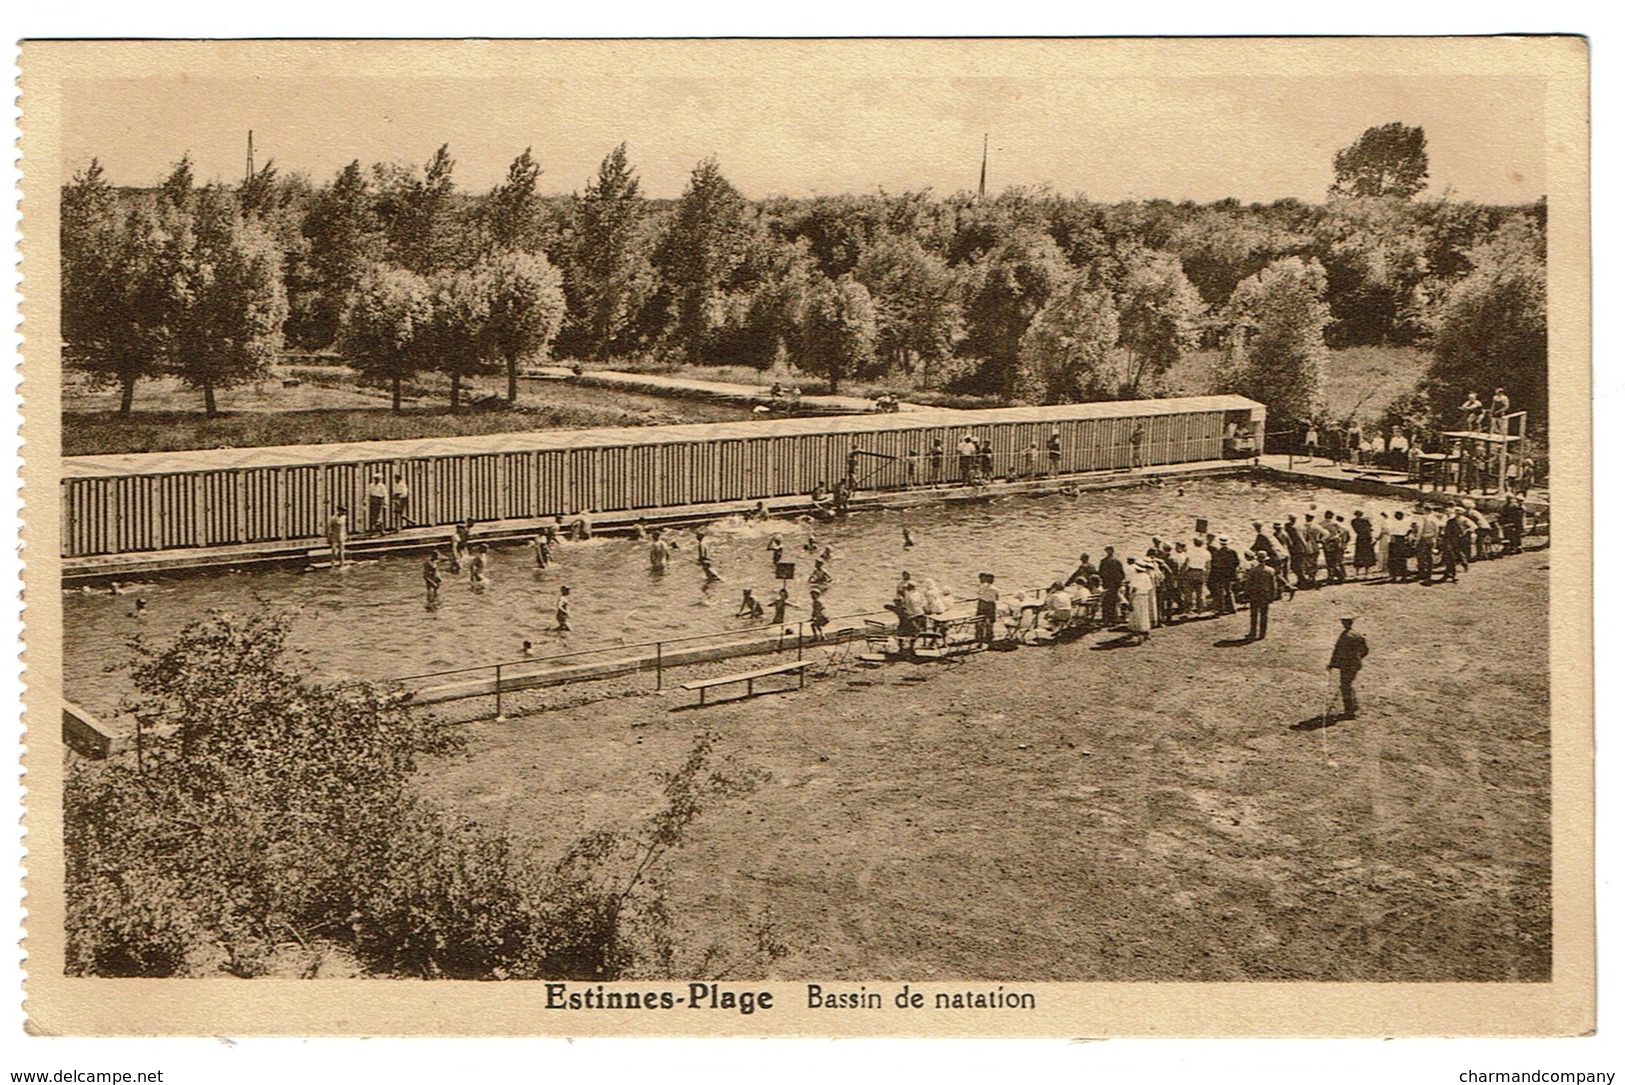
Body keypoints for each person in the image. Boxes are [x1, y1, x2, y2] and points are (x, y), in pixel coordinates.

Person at [1327, 617, 1370, 719]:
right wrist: (1358, 658)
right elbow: (1365, 650)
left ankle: (1349, 711)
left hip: (1346, 665)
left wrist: (1332, 664)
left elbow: (1338, 652)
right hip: (1355, 664)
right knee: (1348, 684)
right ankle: (1353, 707)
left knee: (1345, 686)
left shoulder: (1345, 636)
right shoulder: (1357, 635)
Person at [1243, 551, 1278, 641]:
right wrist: (1273, 595)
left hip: (1254, 594)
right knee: (1264, 614)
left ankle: (1253, 632)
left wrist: (1246, 593)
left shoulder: (1252, 570)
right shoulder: (1270, 570)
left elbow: (1248, 584)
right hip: (1265, 594)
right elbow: (1273, 585)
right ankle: (1262, 633)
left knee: (1254, 614)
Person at [1208, 536, 1240, 615]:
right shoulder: (1232, 551)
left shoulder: (1217, 552)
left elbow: (1214, 563)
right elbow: (1236, 562)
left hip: (1220, 574)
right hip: (1229, 574)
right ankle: (1232, 608)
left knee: (1220, 591)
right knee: (1229, 590)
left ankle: (1220, 609)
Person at [1124, 559, 1153, 643]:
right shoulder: (1146, 576)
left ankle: (1139, 631)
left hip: (1137, 597)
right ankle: (1146, 631)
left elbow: (1133, 590)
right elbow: (1149, 588)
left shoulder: (1135, 577)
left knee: (1137, 615)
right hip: (1145, 596)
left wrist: (1130, 601)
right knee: (1144, 614)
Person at [1097, 547, 1125, 624]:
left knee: (1106, 602)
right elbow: (1122, 574)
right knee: (1113, 601)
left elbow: (1100, 573)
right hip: (1115, 585)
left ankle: (1106, 618)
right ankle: (1114, 618)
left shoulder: (1103, 561)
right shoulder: (1117, 561)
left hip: (1107, 584)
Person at [1182, 537, 1209, 613]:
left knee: (1189, 592)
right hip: (1201, 572)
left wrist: (1183, 573)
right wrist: (1206, 576)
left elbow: (1186, 563)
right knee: (1200, 592)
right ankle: (1200, 608)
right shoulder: (1206, 552)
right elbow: (1208, 566)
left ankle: (1188, 608)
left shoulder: (1190, 551)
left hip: (1191, 571)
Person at [975, 572, 1000, 646]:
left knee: (980, 620)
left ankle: (979, 635)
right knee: (991, 620)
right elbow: (997, 598)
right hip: (991, 604)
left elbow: (978, 593)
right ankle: (989, 634)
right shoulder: (995, 588)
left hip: (983, 604)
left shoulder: (982, 586)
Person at [1351, 511, 1376, 578]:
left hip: (1359, 538)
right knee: (1367, 555)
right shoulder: (1365, 521)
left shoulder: (1353, 521)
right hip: (1366, 538)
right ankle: (1366, 572)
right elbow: (1369, 529)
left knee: (1358, 554)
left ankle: (1357, 572)